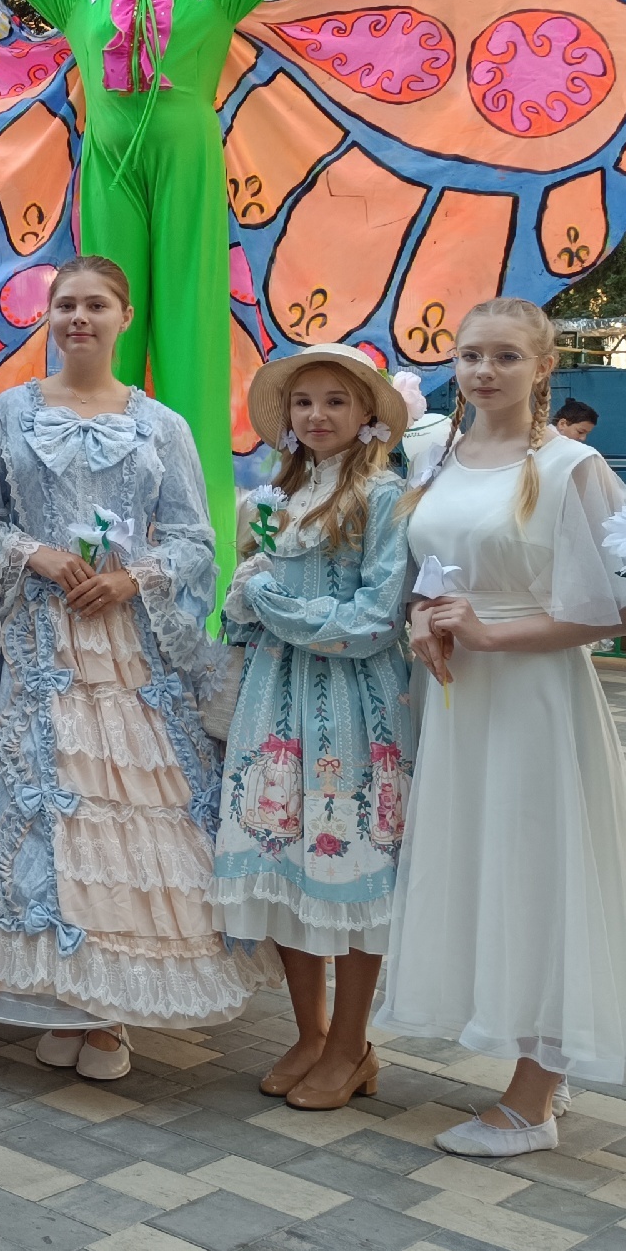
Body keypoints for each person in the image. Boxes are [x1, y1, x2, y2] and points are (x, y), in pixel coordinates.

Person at [0, 0, 447, 588]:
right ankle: (96, 536)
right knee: (103, 332)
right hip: (109, 170)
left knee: (192, 337)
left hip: (190, 166)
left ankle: (201, 574)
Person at [376, 297, 626, 1155]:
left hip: (532, 700)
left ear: (542, 367)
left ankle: (534, 1097)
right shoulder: (440, 457)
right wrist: (423, 620)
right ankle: (535, 1064)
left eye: (505, 357)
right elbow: (432, 573)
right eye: (470, 355)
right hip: (458, 700)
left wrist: (491, 633)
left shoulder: (571, 466)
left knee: (538, 873)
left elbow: (617, 608)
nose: (484, 371)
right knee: (488, 870)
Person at [0, 256, 269, 1078]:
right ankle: (67, 999)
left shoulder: (163, 426)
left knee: (130, 812)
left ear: (125, 317)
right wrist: (39, 554)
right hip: (38, 641)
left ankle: (112, 1014)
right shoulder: (6, 414)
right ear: (48, 317)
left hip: (128, 647)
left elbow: (194, 539)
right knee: (54, 813)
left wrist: (130, 577)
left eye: (95, 305)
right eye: (66, 305)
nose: (78, 318)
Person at [210, 344, 414, 1110]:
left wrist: (273, 605)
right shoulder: (272, 497)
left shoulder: (386, 497)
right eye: (304, 402)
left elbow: (378, 616)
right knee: (283, 864)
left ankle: (351, 1044)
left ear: (367, 414)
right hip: (274, 699)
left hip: (355, 705)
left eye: (335, 401)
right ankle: (309, 1032)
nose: (318, 415)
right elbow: (239, 615)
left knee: (349, 865)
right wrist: (244, 596)